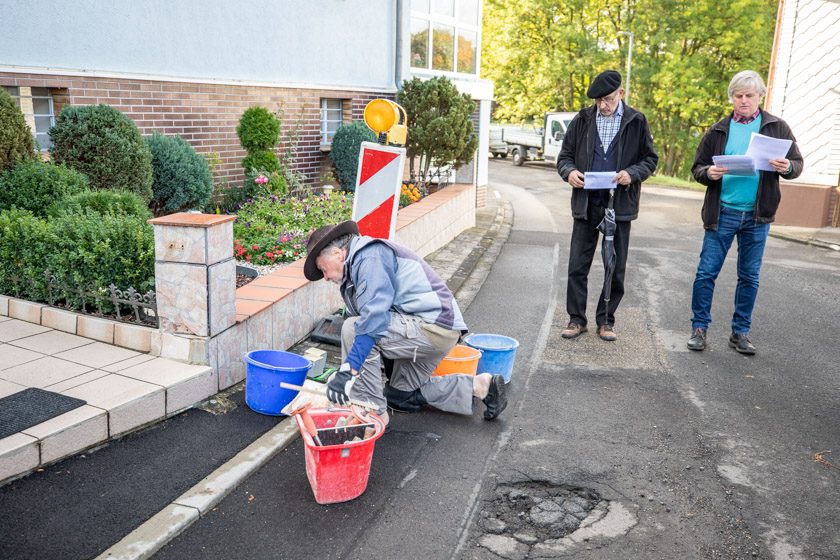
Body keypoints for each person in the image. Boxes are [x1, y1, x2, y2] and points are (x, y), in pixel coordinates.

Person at [303, 220, 508, 424]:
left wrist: (348, 371)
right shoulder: (357, 268)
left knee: (353, 329)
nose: (326, 277)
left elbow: (373, 321)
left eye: (323, 269)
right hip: (430, 329)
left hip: (432, 328)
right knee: (401, 397)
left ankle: (369, 412)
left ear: (338, 254)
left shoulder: (370, 257)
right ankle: (481, 386)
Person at [687, 70, 803, 355]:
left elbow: (797, 164)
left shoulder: (777, 127)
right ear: (732, 98)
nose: (743, 101)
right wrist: (709, 173)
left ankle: (740, 333)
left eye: (749, 95)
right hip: (722, 211)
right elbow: (697, 168)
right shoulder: (718, 130)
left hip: (757, 215)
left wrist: (786, 167)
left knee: (749, 276)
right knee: (706, 273)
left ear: (760, 96)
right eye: (738, 96)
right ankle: (699, 329)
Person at [556, 70, 658, 341]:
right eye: (599, 100)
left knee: (615, 265)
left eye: (609, 99)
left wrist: (632, 174)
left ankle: (606, 321)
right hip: (586, 202)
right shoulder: (582, 119)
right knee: (578, 264)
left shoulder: (636, 120)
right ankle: (577, 319)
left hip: (619, 203)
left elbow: (650, 159)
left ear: (621, 94)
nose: (603, 105)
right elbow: (564, 156)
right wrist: (569, 172)